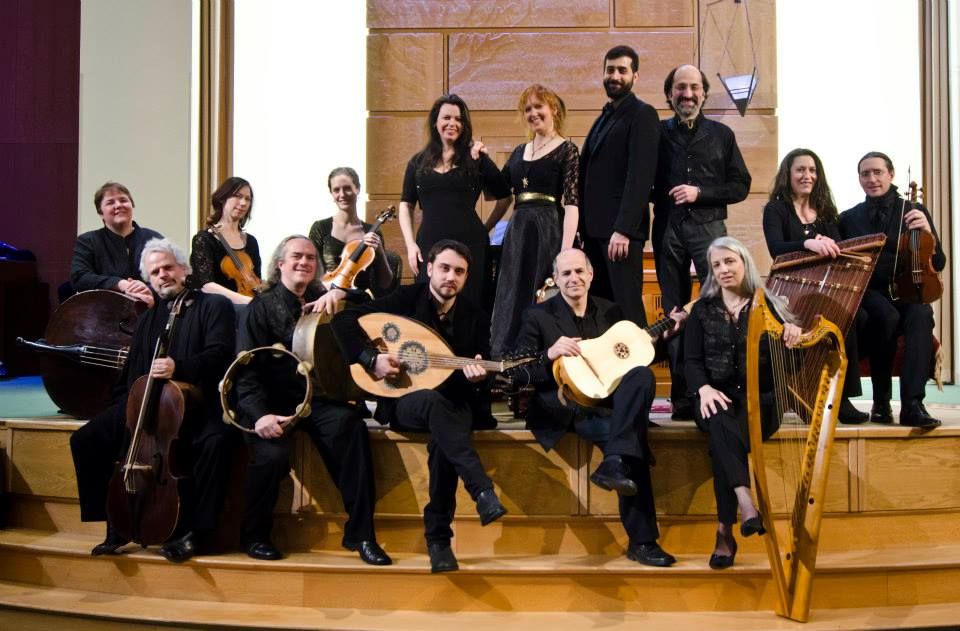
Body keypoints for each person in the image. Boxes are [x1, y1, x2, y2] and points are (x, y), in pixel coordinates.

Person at [332, 240, 506, 574]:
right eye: (444, 268)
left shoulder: (475, 316)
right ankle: (481, 491)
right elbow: (344, 321)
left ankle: (439, 542)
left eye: (459, 271)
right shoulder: (406, 299)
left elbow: (482, 373)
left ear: (466, 277)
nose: (450, 277)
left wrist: (477, 377)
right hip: (406, 400)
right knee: (435, 406)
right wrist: (371, 358)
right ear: (429, 269)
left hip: (453, 403)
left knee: (444, 437)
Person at [69, 238, 236, 563]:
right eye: (155, 272)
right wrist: (122, 410)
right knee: (86, 439)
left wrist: (179, 368)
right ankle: (114, 521)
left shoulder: (214, 306)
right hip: (147, 401)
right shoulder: (148, 317)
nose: (163, 275)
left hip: (197, 404)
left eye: (168, 268)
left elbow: (221, 355)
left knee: (216, 442)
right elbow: (131, 372)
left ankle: (197, 533)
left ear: (183, 269)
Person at [514, 248, 676, 568]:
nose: (573, 278)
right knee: (632, 442)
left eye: (579, 271)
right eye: (566, 273)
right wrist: (548, 354)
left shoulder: (611, 311)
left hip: (610, 402)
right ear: (555, 279)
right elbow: (517, 370)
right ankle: (643, 541)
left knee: (642, 375)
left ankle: (614, 461)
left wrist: (668, 336)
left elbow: (633, 356)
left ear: (591, 275)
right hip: (566, 406)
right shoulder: (537, 316)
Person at [235, 235, 391, 564]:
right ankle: (254, 535)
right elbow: (245, 372)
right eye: (297, 256)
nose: (304, 262)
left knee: (351, 427)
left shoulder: (323, 295)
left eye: (310, 257)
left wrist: (340, 292)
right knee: (271, 457)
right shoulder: (260, 307)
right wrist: (260, 415)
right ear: (280, 264)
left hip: (318, 400)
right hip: (273, 404)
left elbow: (370, 302)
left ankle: (361, 534)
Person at [684, 236, 802, 569]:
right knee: (720, 416)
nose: (723, 269)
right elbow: (690, 361)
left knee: (722, 439)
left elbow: (788, 368)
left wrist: (792, 340)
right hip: (714, 398)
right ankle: (745, 503)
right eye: (716, 265)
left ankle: (726, 529)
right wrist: (704, 389)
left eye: (729, 261)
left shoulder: (770, 307)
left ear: (744, 263)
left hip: (762, 404)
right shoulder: (702, 310)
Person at [652, 64, 752, 420]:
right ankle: (682, 399)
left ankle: (717, 391)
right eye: (681, 87)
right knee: (674, 314)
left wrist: (701, 193)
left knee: (716, 309)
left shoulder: (722, 135)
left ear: (704, 93)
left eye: (694, 87)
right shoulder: (656, 132)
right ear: (670, 94)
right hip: (667, 229)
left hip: (711, 232)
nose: (688, 94)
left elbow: (741, 185)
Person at [839, 152, 946, 428]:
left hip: (906, 290)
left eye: (877, 172)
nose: (872, 179)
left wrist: (928, 233)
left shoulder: (913, 211)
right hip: (870, 294)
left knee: (921, 314)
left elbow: (938, 262)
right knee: (885, 316)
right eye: (865, 174)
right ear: (859, 179)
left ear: (891, 174)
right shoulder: (848, 218)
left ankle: (912, 405)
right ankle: (881, 402)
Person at [762, 148, 869, 424]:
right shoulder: (775, 209)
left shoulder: (826, 212)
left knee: (852, 317)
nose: (807, 175)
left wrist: (832, 245)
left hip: (824, 289)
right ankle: (799, 392)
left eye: (812, 170)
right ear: (788, 174)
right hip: (789, 292)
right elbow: (776, 249)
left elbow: (839, 249)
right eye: (800, 169)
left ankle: (841, 397)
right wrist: (807, 243)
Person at [485, 84, 580, 357]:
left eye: (539, 106)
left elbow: (572, 204)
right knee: (512, 293)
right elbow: (497, 194)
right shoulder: (518, 152)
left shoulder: (567, 150)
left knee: (540, 292)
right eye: (527, 109)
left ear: (554, 109)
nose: (533, 113)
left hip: (548, 230)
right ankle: (508, 360)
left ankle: (540, 358)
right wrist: (481, 160)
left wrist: (565, 253)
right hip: (518, 232)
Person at [398, 94, 511, 306]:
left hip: (471, 244)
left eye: (458, 119)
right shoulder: (417, 162)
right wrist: (410, 245)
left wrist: (485, 228)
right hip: (429, 243)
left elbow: (505, 197)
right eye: (447, 117)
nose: (452, 123)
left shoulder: (476, 158)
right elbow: (406, 204)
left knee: (471, 307)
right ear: (435, 122)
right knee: (428, 305)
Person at [578, 45, 659, 328]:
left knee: (627, 311)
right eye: (610, 70)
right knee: (601, 311)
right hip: (595, 234)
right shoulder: (603, 117)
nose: (615, 76)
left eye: (622, 70)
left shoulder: (643, 114)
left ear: (635, 76)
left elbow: (640, 177)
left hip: (619, 235)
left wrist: (624, 229)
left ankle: (640, 359)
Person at [70, 181, 163, 307]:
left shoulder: (154, 239)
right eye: (110, 202)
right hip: (104, 312)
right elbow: (79, 277)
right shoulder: (88, 241)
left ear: (132, 205)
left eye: (123, 200)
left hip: (150, 310)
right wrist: (119, 284)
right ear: (100, 212)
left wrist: (147, 288)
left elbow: (169, 275)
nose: (118, 205)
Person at [308, 166, 395, 297]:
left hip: (359, 299)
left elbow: (385, 284)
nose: (342, 194)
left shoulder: (372, 232)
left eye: (347, 188)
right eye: (336, 190)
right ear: (331, 193)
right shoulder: (320, 228)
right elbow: (310, 270)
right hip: (325, 296)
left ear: (357, 189)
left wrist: (380, 253)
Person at [190, 177, 262, 305]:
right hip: (219, 308)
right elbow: (206, 285)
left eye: (247, 199)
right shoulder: (205, 239)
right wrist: (246, 301)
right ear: (222, 199)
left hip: (250, 307)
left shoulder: (251, 241)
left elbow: (257, 280)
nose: (243, 203)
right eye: (238, 196)